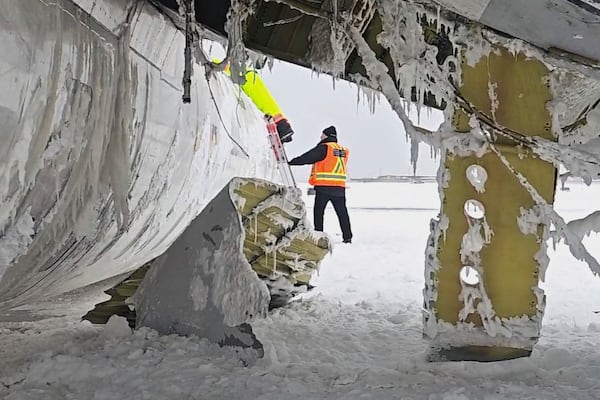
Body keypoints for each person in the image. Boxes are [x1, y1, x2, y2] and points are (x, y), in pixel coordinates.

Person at [288, 126, 353, 243]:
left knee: (319, 212)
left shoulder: (324, 148)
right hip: (339, 187)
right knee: (342, 213)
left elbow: (308, 157)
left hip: (324, 187)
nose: (320, 137)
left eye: (322, 135)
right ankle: (347, 237)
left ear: (326, 136)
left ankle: (319, 234)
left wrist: (292, 162)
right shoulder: (343, 150)